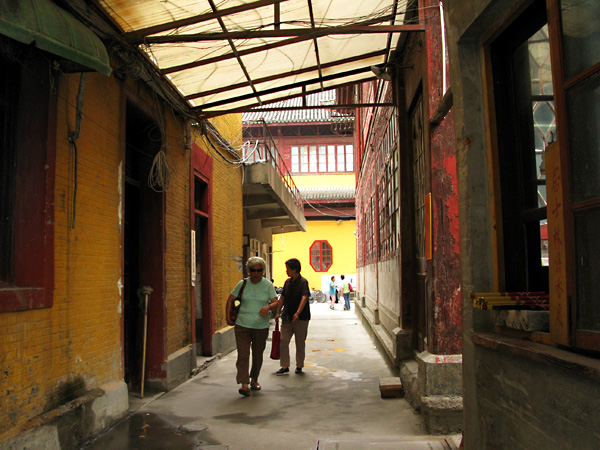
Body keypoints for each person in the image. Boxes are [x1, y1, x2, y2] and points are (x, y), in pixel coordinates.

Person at [226, 256, 278, 396]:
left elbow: (276, 301)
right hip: (242, 324)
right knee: (243, 354)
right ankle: (244, 383)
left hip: (260, 326)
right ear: (248, 271)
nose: (256, 273)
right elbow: (231, 299)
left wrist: (267, 307)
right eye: (253, 270)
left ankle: (254, 379)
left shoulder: (267, 285)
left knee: (257, 355)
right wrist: (228, 317)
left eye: (259, 270)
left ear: (263, 271)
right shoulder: (242, 284)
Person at [275, 258, 310, 375]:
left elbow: (304, 298)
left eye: (288, 269)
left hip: (301, 318)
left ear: (294, 270)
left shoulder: (303, 282)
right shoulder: (287, 282)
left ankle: (299, 365)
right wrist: (278, 311)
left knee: (300, 342)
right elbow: (283, 298)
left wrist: (298, 312)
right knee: (283, 340)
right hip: (287, 316)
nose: (286, 271)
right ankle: (285, 365)